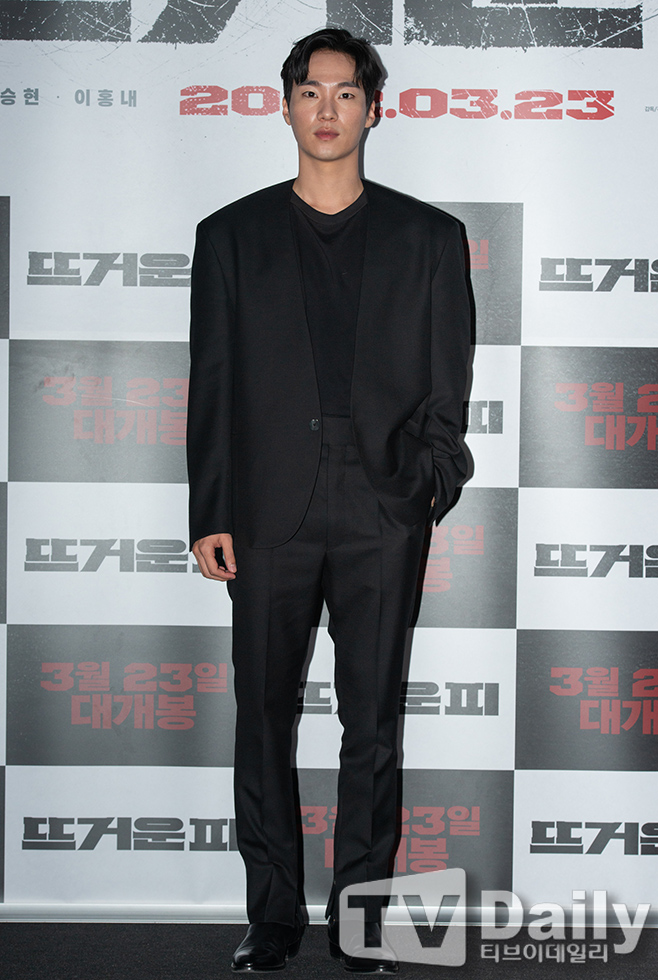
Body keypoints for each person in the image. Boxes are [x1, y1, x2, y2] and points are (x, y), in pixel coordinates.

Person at [187, 27, 471, 974]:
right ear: (285, 106)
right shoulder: (229, 237)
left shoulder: (430, 239)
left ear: (373, 110)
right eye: (310, 92)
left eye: (346, 93)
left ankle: (364, 917)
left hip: (382, 512)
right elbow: (212, 385)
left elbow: (448, 391)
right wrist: (211, 511)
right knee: (263, 720)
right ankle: (273, 916)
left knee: (373, 726)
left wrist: (424, 488)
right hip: (267, 513)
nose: (327, 109)